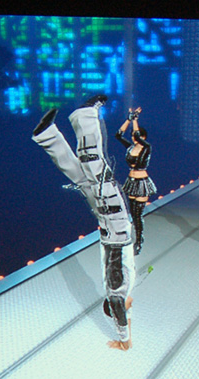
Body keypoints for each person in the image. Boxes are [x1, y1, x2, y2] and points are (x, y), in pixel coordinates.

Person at [32, 95, 136, 350]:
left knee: (94, 173)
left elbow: (118, 305)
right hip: (111, 226)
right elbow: (121, 306)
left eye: (124, 308)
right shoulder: (119, 288)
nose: (128, 305)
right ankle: (51, 133)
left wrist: (124, 337)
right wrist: (127, 324)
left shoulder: (118, 289)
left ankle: (80, 119)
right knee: (85, 177)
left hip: (114, 224)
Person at [115, 106, 156, 255]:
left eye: (136, 136)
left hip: (142, 183)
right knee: (132, 214)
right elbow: (118, 135)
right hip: (131, 182)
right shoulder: (130, 148)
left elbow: (138, 136)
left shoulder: (146, 147)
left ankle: (139, 241)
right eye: (132, 136)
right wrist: (128, 119)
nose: (133, 138)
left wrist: (135, 120)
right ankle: (134, 238)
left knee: (138, 215)